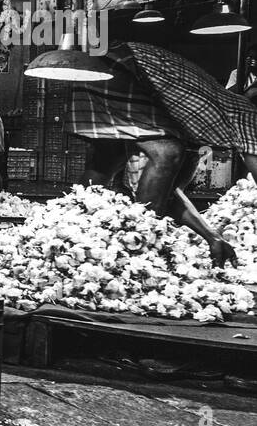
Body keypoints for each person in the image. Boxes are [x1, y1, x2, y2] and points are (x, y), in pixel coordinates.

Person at [68, 40, 257, 267]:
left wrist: (211, 236)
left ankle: (71, 231)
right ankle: (142, 245)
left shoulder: (193, 135)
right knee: (167, 151)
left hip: (103, 67)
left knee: (109, 158)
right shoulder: (246, 114)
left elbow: (169, 193)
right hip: (123, 65)